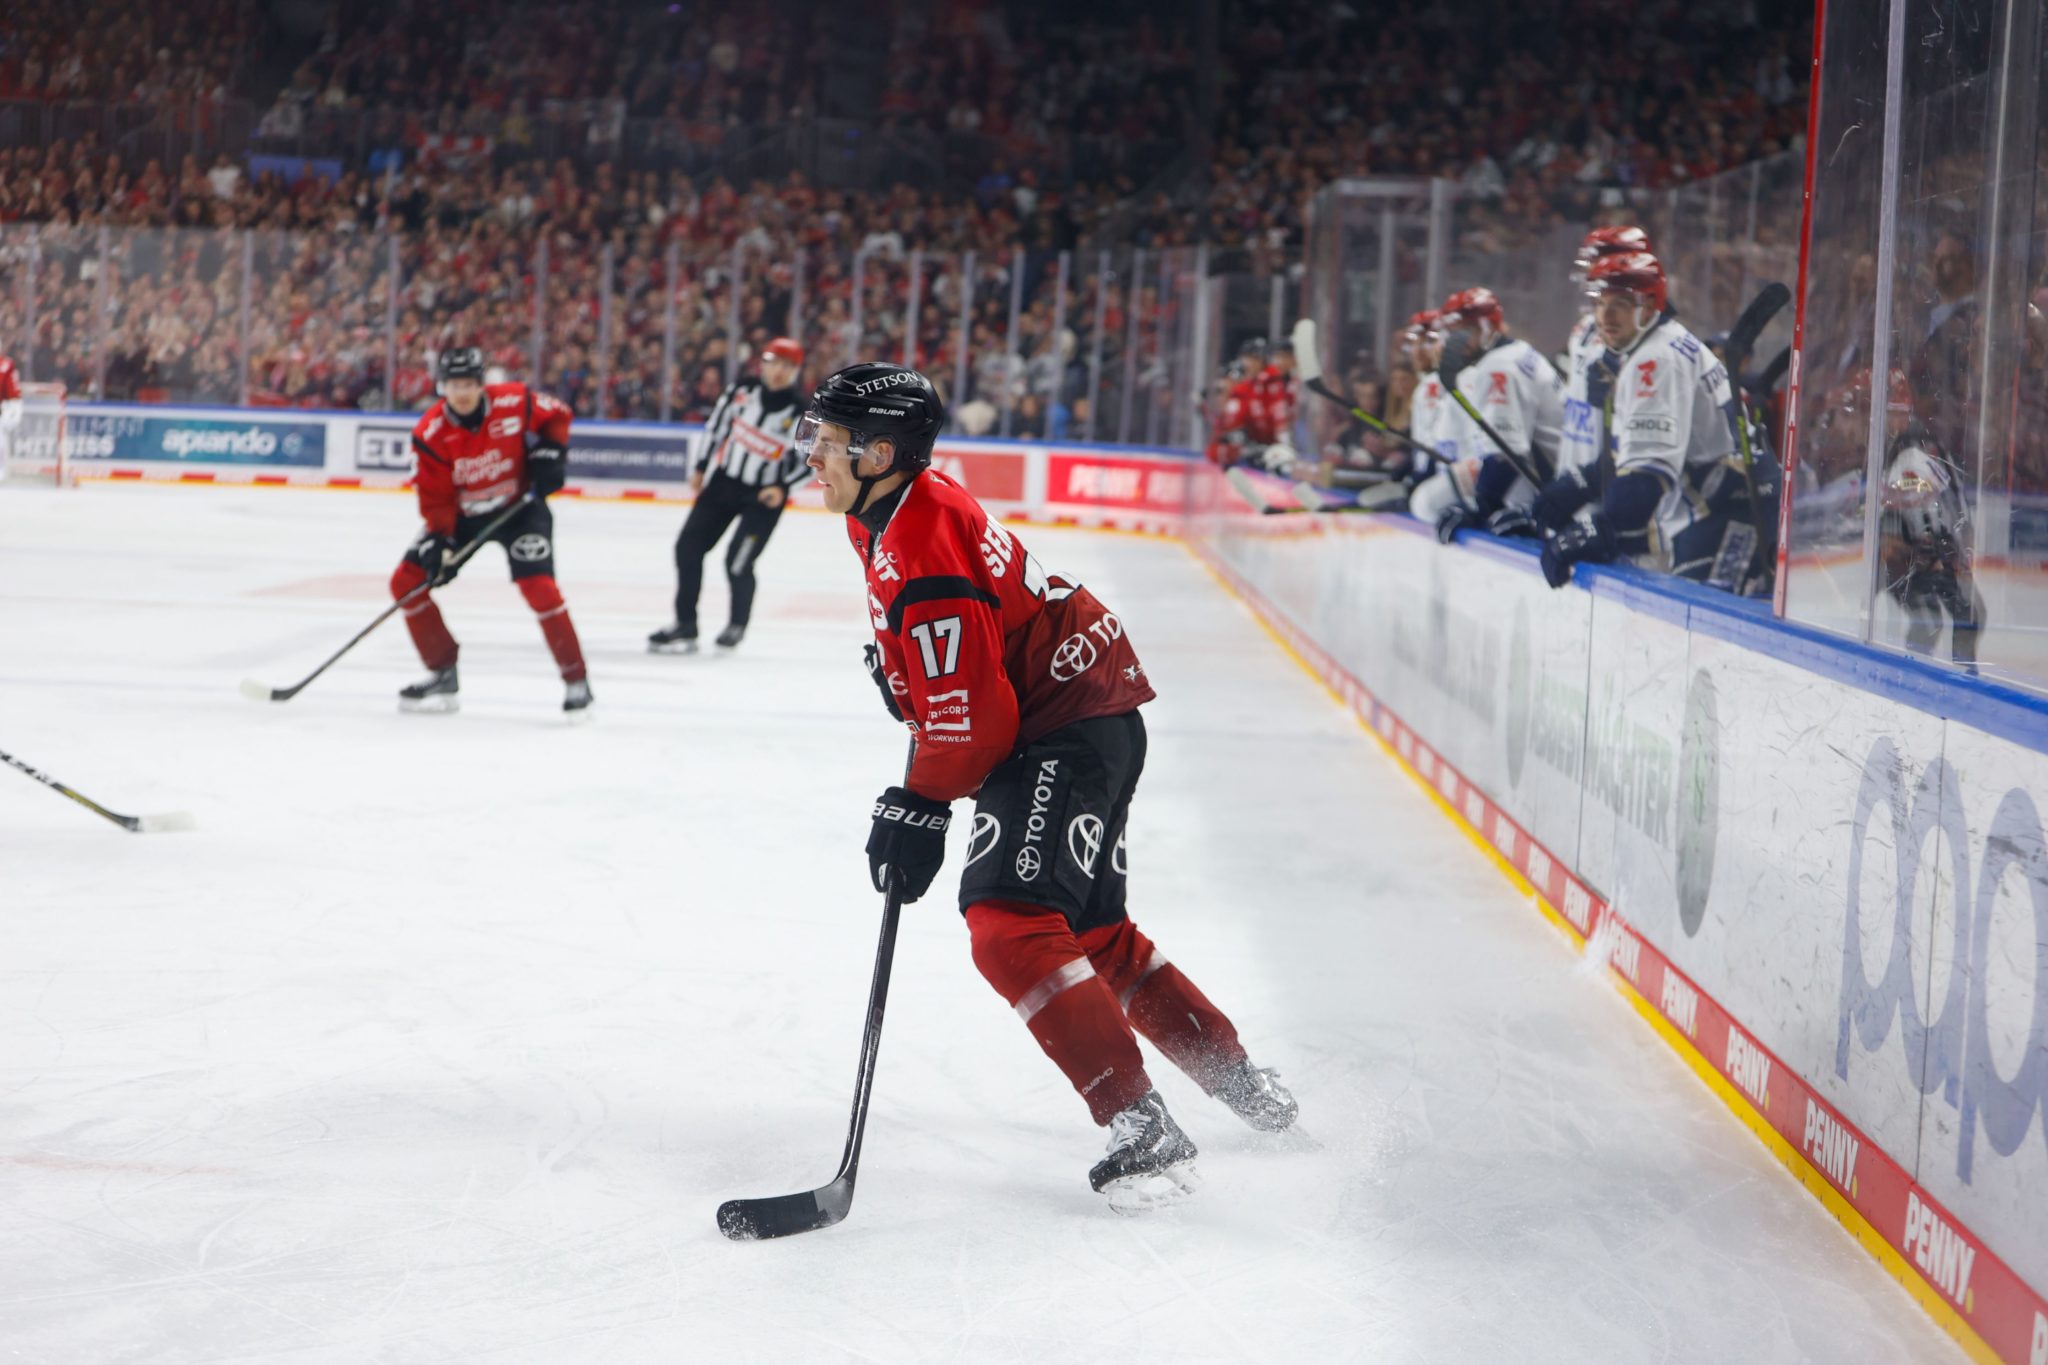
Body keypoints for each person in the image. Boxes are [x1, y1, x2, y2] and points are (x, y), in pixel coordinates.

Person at [801, 360, 1297, 1213]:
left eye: (828, 440)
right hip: (1085, 710)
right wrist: (908, 685)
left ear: (880, 453)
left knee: (1009, 922)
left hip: (1063, 727)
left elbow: (979, 720)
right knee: (1093, 933)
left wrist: (920, 803)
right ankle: (1240, 1080)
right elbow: (957, 660)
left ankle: (1140, 1119)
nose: (811, 454)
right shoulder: (886, 509)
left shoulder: (918, 540)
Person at [389, 347, 591, 715]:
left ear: (482, 384)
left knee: (540, 588)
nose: (462, 392)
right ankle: (442, 671)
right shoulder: (430, 434)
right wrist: (440, 539)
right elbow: (435, 496)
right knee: (406, 582)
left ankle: (576, 679)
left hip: (520, 509)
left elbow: (558, 415)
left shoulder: (513, 401)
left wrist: (551, 451)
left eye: (469, 384)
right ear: (442, 387)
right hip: (464, 517)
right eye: (454, 385)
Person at [1538, 252, 1749, 591]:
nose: (1605, 315)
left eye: (1620, 304)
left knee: (1696, 615)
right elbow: (1636, 453)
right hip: (1716, 501)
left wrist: (1602, 528)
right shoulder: (1653, 344)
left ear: (1649, 306)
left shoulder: (1656, 359)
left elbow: (1645, 477)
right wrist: (1579, 483)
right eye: (1600, 303)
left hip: (1730, 509)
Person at [649, 336, 810, 652]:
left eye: (787, 366)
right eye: (774, 363)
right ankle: (685, 623)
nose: (779, 371)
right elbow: (716, 429)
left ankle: (736, 624)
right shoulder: (741, 392)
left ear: (796, 371)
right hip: (724, 484)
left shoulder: (801, 412)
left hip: (764, 497)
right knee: (688, 548)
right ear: (763, 364)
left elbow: (811, 460)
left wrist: (783, 488)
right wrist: (701, 467)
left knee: (738, 561)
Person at [1538, 225, 1652, 530]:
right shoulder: (1586, 328)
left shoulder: (1647, 342)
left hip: (1613, 494)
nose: (1590, 273)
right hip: (1575, 476)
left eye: (1597, 262)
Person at [1429, 286, 1564, 541]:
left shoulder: (1499, 366)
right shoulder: (1514, 353)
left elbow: (1506, 454)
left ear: (1489, 328)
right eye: (1452, 334)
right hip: (1557, 490)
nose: (1456, 343)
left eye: (1466, 331)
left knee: (1428, 503)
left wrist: (1480, 504)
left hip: (1553, 499)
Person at [0, 351, 20, 481]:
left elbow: (13, 392)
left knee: (1, 437)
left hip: (6, 406)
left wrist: (13, 408)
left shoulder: (6, 365)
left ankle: (1, 469)